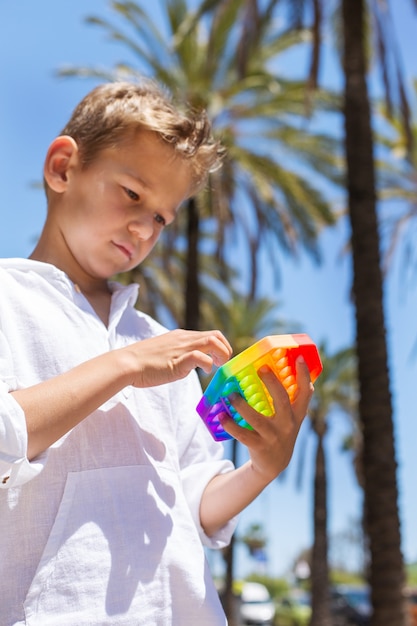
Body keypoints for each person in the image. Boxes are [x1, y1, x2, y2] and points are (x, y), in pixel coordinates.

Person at [0, 80, 313, 625]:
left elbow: (193, 501)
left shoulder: (155, 340)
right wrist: (121, 366)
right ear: (63, 168)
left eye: (164, 217)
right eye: (132, 194)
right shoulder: (8, 301)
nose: (146, 228)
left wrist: (265, 466)